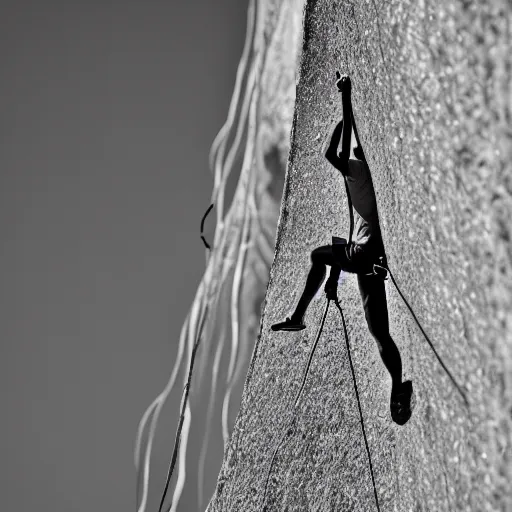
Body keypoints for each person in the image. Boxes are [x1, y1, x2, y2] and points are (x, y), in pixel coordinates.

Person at [271, 73, 413, 425]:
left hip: (364, 255)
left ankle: (299, 316)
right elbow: (345, 242)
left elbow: (332, 152)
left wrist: (344, 102)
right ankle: (398, 388)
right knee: (379, 330)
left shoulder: (357, 171)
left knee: (317, 255)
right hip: (369, 262)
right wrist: (335, 277)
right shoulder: (361, 174)